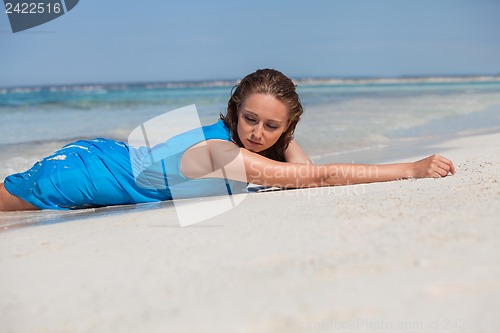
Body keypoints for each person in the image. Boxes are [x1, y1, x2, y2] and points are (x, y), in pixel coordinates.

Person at [0, 69, 455, 211]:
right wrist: (411, 169)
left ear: (287, 127)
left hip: (103, 161)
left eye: (272, 126)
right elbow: (315, 178)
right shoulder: (220, 150)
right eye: (250, 119)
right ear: (235, 111)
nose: (257, 133)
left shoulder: (253, 143)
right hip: (82, 174)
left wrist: (287, 136)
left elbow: (297, 171)